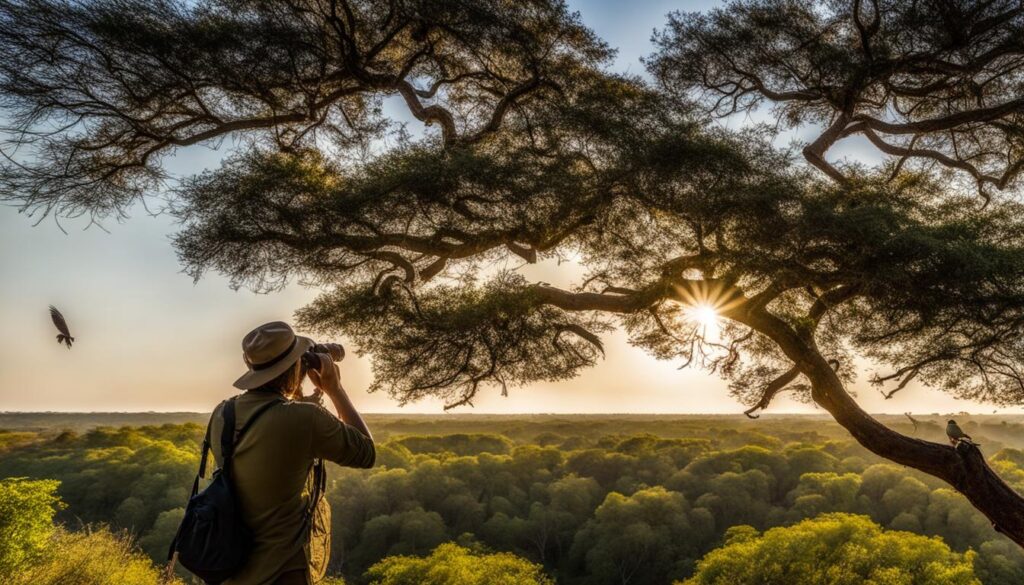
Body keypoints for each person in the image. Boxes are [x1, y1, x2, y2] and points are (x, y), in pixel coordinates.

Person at [207, 321, 375, 585]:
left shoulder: (223, 412)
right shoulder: (303, 418)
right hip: (281, 570)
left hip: (230, 568)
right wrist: (334, 389)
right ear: (296, 365)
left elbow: (271, 437)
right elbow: (365, 452)